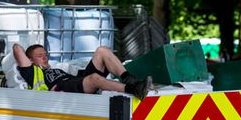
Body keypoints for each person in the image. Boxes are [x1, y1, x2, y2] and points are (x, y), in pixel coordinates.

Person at [13, 43, 151, 100]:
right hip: (62, 88)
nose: (45, 57)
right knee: (95, 78)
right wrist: (28, 58)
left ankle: (129, 78)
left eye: (45, 54)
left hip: (77, 81)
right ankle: (133, 89)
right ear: (30, 60)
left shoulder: (56, 68)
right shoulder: (32, 72)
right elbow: (17, 49)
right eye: (39, 56)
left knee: (102, 51)